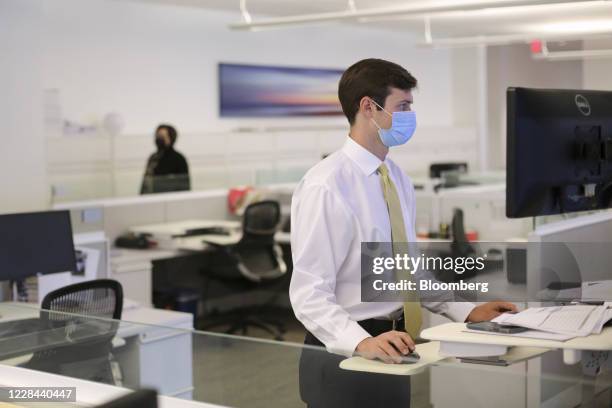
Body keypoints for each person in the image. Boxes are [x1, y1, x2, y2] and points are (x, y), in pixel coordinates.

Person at [289, 58, 517, 408]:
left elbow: (410, 273)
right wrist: (359, 341)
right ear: (369, 107)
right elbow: (309, 294)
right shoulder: (326, 186)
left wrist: (466, 310)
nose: (410, 116)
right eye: (403, 106)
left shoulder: (396, 178)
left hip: (396, 344)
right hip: (344, 349)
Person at [140, 124, 190, 194]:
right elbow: (146, 182)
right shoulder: (153, 157)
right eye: (157, 136)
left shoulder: (179, 159)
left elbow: (185, 186)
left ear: (171, 138)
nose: (158, 138)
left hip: (169, 199)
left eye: (162, 136)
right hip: (151, 199)